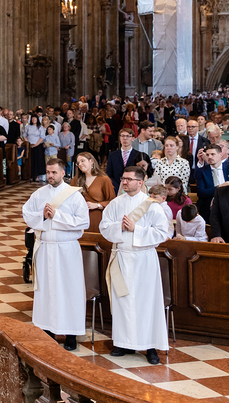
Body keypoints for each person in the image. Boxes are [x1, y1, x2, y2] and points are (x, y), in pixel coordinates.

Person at [99, 166, 170, 365]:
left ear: (140, 182)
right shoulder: (115, 203)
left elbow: (162, 233)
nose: (124, 182)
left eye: (129, 179)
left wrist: (135, 229)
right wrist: (119, 227)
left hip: (143, 260)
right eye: (123, 178)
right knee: (122, 301)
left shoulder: (152, 205)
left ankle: (150, 346)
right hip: (121, 257)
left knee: (146, 303)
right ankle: (123, 343)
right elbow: (104, 226)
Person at [21, 157, 89, 350]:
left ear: (63, 173)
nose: (50, 176)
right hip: (44, 248)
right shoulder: (39, 194)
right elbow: (27, 214)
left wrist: (56, 215)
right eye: (48, 172)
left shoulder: (74, 195)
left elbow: (83, 221)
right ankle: (47, 330)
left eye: (54, 172)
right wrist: (42, 216)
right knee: (46, 290)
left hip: (66, 249)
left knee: (69, 290)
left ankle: (71, 334)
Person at [72, 151, 115, 230]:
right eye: (78, 163)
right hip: (78, 220)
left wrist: (97, 205)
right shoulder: (75, 180)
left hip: (97, 220)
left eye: (82, 161)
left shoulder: (104, 179)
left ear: (91, 161)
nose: (80, 164)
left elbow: (112, 202)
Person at [193, 144, 229, 220]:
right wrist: (220, 187)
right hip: (208, 206)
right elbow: (201, 193)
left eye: (213, 154)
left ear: (220, 154)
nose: (210, 157)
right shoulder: (201, 171)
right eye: (207, 155)